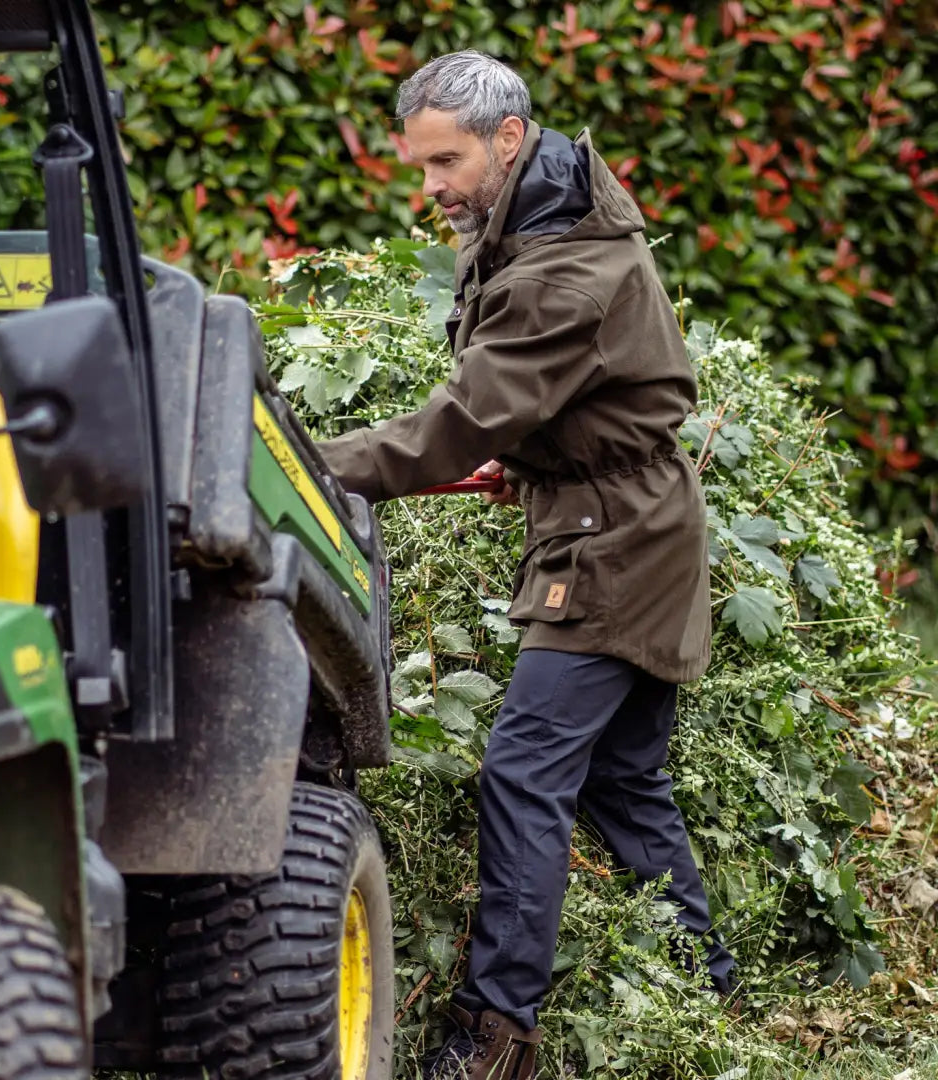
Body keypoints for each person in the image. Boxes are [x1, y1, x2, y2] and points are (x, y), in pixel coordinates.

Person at [316, 50, 736, 1080]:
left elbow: (459, 422)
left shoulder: (564, 269)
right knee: (624, 783)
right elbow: (544, 403)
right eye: (420, 167)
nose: (433, 189)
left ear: (509, 139)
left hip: (614, 544)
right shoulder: (530, 221)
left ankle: (494, 1037)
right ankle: (708, 984)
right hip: (613, 515)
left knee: (524, 773)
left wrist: (297, 462)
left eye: (446, 162)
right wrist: (543, 458)